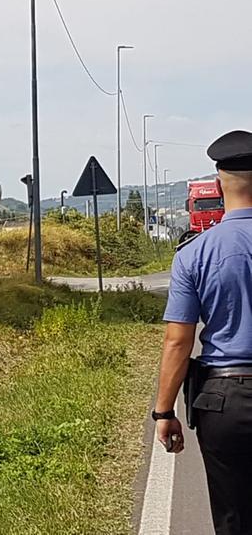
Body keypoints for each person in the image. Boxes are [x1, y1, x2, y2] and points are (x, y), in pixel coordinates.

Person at [152, 129, 252, 535]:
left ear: (218, 185)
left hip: (223, 401)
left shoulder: (195, 253)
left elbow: (178, 340)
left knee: (232, 516)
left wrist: (164, 411)